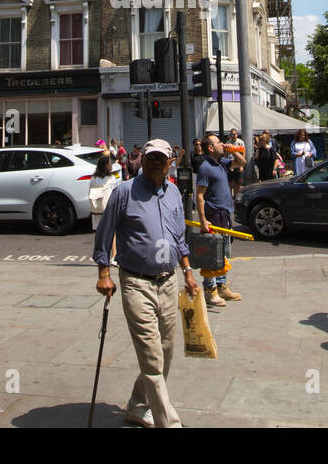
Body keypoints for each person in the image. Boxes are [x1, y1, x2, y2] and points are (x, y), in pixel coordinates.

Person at [94, 139, 200, 427]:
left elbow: (179, 238)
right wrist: (104, 273)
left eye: (161, 159)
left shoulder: (174, 193)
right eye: (150, 157)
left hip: (168, 281)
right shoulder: (124, 192)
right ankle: (170, 423)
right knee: (152, 359)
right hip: (135, 282)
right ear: (142, 160)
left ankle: (138, 405)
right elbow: (104, 233)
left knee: (165, 353)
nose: (155, 162)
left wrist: (188, 271)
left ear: (170, 163)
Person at [195, 132, 244, 308]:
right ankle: (210, 290)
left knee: (225, 252)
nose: (222, 144)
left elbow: (241, 163)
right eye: (218, 143)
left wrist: (232, 149)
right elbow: (199, 195)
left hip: (225, 213)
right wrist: (202, 219)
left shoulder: (222, 163)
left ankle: (222, 285)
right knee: (211, 254)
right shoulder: (205, 167)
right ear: (210, 148)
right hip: (213, 214)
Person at [88, 154, 117, 231]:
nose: (111, 165)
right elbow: (115, 194)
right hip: (108, 211)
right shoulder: (111, 179)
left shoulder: (93, 179)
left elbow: (90, 193)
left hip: (97, 211)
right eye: (110, 163)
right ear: (106, 166)